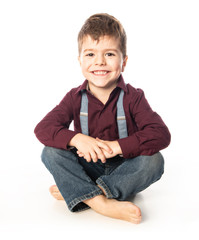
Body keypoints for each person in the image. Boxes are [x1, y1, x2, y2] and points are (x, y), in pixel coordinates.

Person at [34, 13, 171, 224]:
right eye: (90, 55)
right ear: (80, 61)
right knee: (50, 152)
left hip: (124, 167)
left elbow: (160, 134)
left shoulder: (134, 97)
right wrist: (77, 139)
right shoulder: (74, 97)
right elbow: (43, 128)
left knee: (154, 161)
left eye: (109, 54)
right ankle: (102, 203)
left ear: (123, 61)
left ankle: (81, 191)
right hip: (89, 165)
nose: (99, 62)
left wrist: (117, 146)